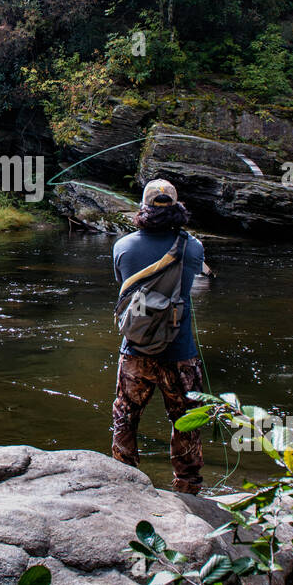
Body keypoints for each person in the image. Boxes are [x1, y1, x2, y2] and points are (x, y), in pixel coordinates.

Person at [111, 179, 208, 495]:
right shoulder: (192, 248)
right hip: (180, 353)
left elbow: (124, 289)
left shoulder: (122, 247)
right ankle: (188, 487)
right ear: (176, 207)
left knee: (126, 417)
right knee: (187, 422)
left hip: (135, 351)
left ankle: (126, 483)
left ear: (144, 207)